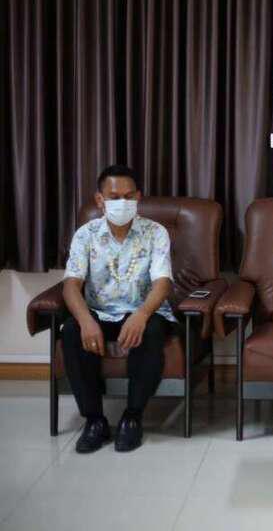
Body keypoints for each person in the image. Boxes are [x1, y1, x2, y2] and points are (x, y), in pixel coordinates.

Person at [61, 165, 175, 453]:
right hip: (99, 312)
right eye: (114, 197)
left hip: (143, 311)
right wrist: (86, 320)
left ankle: (132, 417)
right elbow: (71, 285)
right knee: (72, 331)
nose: (122, 203)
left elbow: (163, 283)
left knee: (152, 331)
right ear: (100, 200)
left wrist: (142, 314)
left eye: (128, 196)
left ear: (138, 197)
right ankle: (94, 421)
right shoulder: (85, 235)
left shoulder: (155, 232)